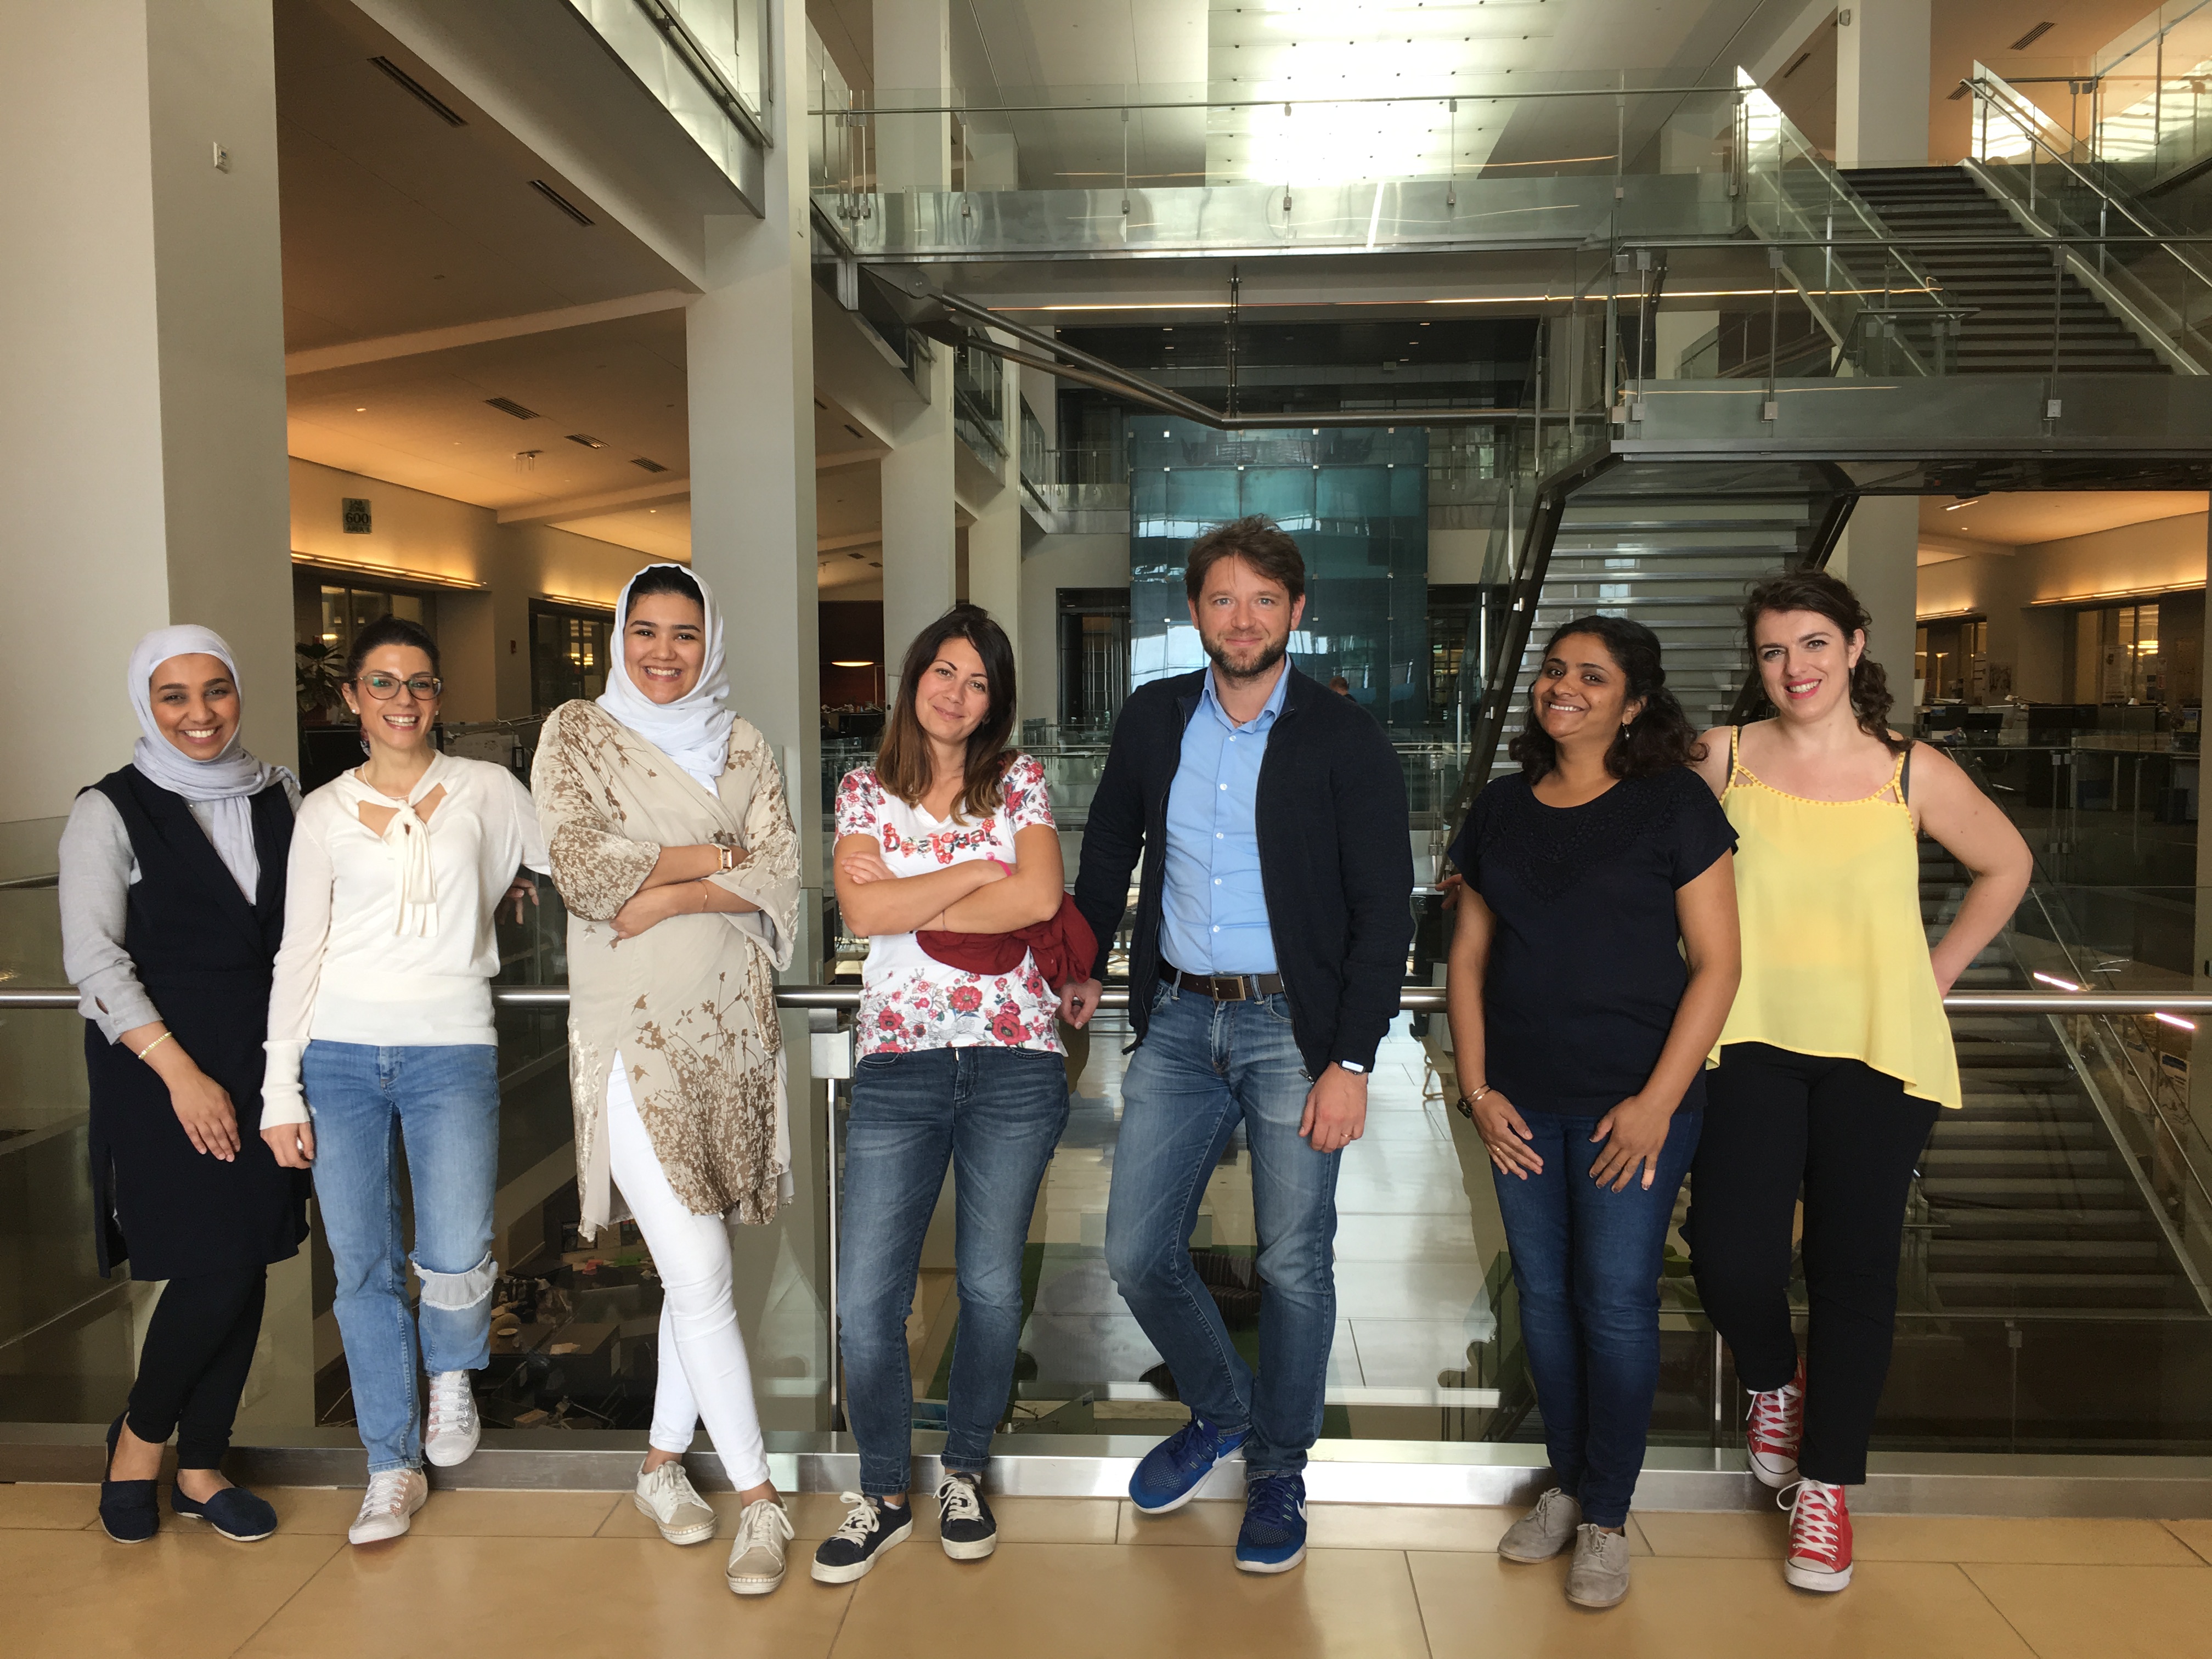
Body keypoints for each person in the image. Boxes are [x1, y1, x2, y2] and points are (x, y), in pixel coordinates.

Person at [1063, 515, 1414, 1575]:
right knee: (1135, 1251)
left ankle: (1278, 1467)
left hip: (1291, 1030)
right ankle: (1222, 1409)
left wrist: (1351, 1061)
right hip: (1178, 1019)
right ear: (1196, 612)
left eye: (1265, 599)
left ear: (1296, 611)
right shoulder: (1156, 716)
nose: (1244, 618)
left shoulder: (1345, 739)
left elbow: (1383, 911)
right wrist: (1081, 959)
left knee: (1293, 1262)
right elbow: (1109, 848)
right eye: (1224, 598)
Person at [1688, 570, 2031, 1594]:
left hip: (1881, 1050)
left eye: (1813, 645)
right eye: (1773, 651)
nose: (1794, 668)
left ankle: (1828, 1490)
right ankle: (1772, 1382)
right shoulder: (1721, 757)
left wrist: (1937, 972)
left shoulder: (1911, 770)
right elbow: (1636, 848)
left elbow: (2007, 864)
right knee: (1728, 1257)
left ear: (1854, 646)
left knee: (1855, 1274)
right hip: (1747, 1037)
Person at [1443, 616, 1740, 1609]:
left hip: (1635, 1108)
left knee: (1614, 1303)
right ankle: (1569, 1486)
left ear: (1636, 703)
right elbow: (1469, 960)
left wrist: (1658, 1103)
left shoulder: (1676, 805)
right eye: (1554, 670)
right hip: (1521, 1106)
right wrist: (1478, 1092)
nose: (1563, 687)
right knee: (1546, 1299)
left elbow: (1719, 965)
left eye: (1593, 676)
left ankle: (1607, 1517)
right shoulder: (1500, 807)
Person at [531, 563, 801, 1597]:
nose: (663, 652)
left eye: (684, 633)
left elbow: (779, 871)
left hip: (734, 1038)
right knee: (697, 1270)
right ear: (618, 636)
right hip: (631, 1036)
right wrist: (713, 859)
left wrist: (667, 884)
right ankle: (759, 1497)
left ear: (710, 642)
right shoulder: (577, 733)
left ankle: (657, 1467)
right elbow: (584, 871)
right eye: (644, 630)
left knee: (705, 1276)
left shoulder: (745, 744)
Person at [259, 616, 547, 1546]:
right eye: (382, 683)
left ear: (438, 697)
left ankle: (451, 1377)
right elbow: (299, 953)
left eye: (419, 683)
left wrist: (509, 883)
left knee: (457, 1243)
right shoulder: (323, 811)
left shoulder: (487, 788)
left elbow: (567, 861)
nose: (403, 700)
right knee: (362, 1266)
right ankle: (390, 1465)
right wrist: (278, 1088)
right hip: (338, 1053)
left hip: (450, 1045)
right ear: (352, 697)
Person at [815, 606, 1077, 1584]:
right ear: (915, 676)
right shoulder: (862, 788)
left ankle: (964, 1469)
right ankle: (884, 1492)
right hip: (899, 1062)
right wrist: (974, 867)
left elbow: (1038, 898)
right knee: (865, 1301)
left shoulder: (1021, 780)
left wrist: (916, 889)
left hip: (1015, 1060)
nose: (957, 694)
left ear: (994, 700)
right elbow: (862, 910)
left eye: (978, 681)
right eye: (944, 672)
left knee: (991, 1287)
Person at [60, 627, 307, 1544]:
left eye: (216, 691)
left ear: (238, 694)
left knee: (248, 1263)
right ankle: (139, 1443)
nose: (199, 714)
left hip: (264, 1063)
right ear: (147, 704)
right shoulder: (108, 810)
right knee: (215, 1269)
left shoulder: (280, 792)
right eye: (175, 696)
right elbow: (94, 961)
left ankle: (202, 1468)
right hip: (159, 1071)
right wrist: (181, 1075)